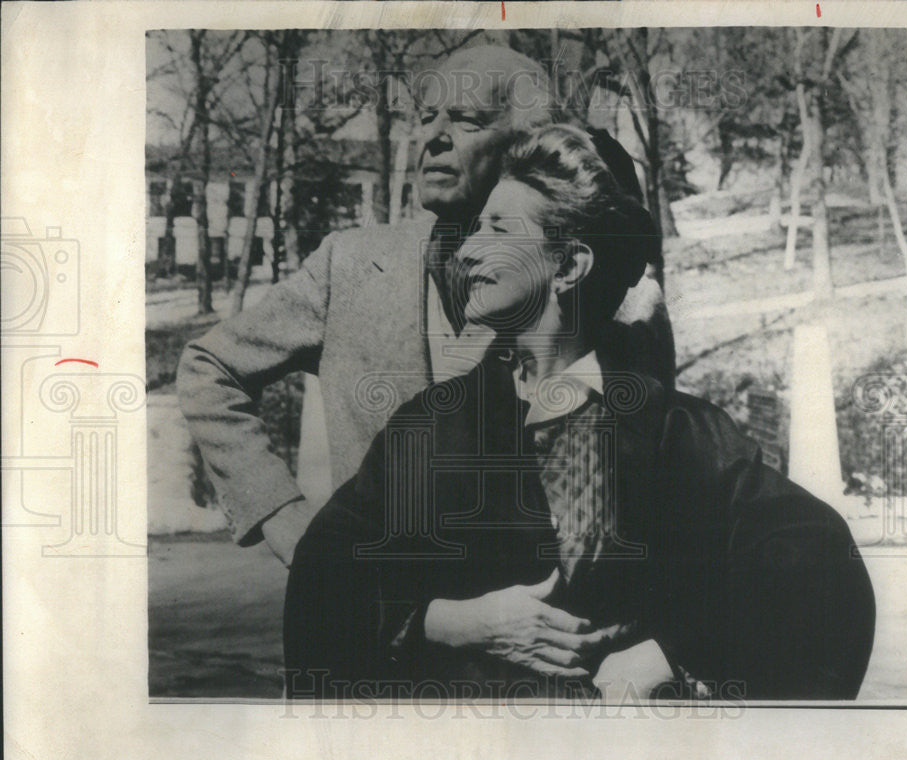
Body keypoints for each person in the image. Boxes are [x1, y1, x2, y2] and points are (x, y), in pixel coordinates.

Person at [284, 125, 877, 702]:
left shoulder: (676, 433)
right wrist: (454, 621)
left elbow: (819, 564)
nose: (466, 250)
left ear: (568, 267)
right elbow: (322, 584)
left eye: (496, 228)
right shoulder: (429, 429)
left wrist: (668, 653)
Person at [176, 45, 674, 566]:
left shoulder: (596, 287)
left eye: (466, 119)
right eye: (426, 117)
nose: (433, 137)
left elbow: (647, 481)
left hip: (538, 629)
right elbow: (209, 367)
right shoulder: (347, 265)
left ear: (526, 145)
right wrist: (281, 516)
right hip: (371, 622)